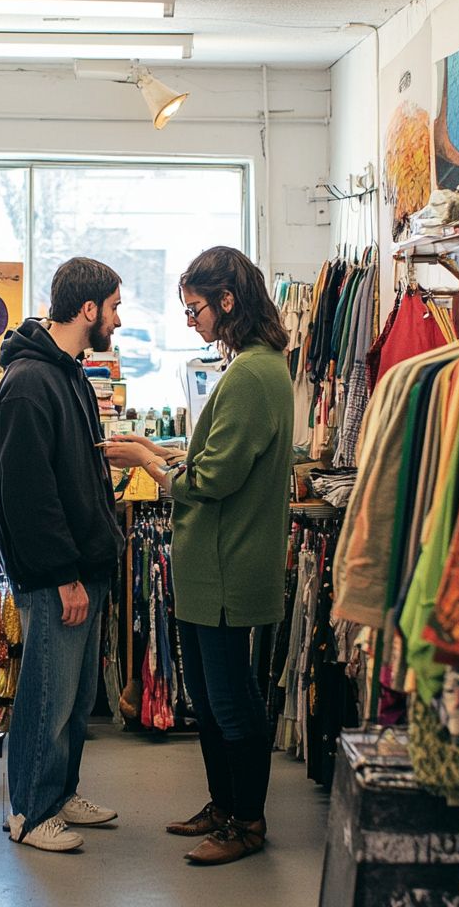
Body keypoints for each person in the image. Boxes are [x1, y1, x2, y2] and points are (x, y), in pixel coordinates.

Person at [104, 246, 294, 865]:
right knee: (212, 700)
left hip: (226, 567)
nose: (192, 321)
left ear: (228, 302)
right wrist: (160, 448)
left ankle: (247, 821)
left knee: (231, 699)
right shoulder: (250, 367)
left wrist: (146, 462)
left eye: (195, 309)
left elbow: (212, 479)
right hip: (214, 564)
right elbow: (215, 457)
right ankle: (225, 805)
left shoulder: (251, 374)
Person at [0, 257, 126, 853]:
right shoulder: (29, 383)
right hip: (57, 575)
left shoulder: (65, 372)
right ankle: (30, 811)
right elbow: (27, 495)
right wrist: (65, 574)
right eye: (115, 308)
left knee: (71, 699)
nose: (118, 321)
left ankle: (60, 792)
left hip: (82, 565)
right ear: (88, 309)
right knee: (46, 695)